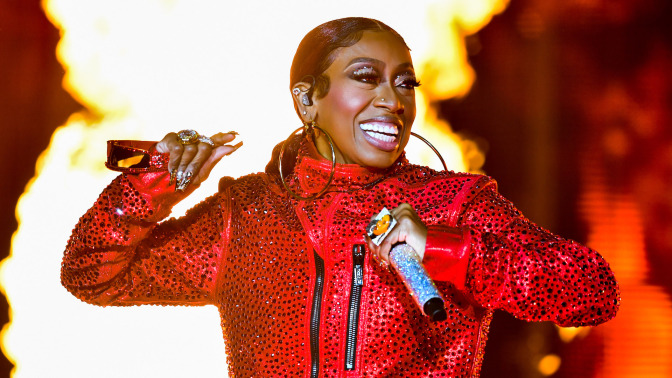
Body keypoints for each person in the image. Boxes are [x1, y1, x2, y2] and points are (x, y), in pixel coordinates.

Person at [61, 17, 620, 377]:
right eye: (365, 77)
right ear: (307, 100)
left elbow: (591, 293)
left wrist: (450, 250)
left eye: (404, 82)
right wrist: (154, 183)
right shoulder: (247, 214)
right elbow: (91, 275)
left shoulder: (455, 203)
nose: (393, 100)